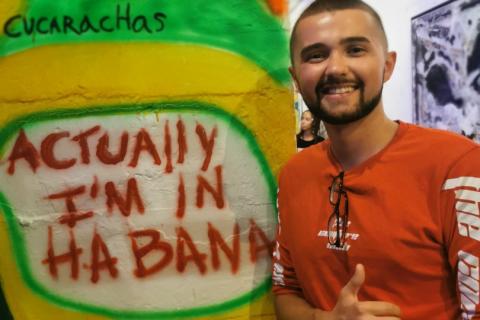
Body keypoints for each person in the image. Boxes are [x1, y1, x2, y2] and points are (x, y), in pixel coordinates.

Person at [272, 1, 480, 319]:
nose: (336, 68)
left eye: (355, 49)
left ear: (387, 65)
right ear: (296, 78)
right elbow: (286, 291)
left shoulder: (458, 166)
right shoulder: (293, 175)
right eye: (316, 55)